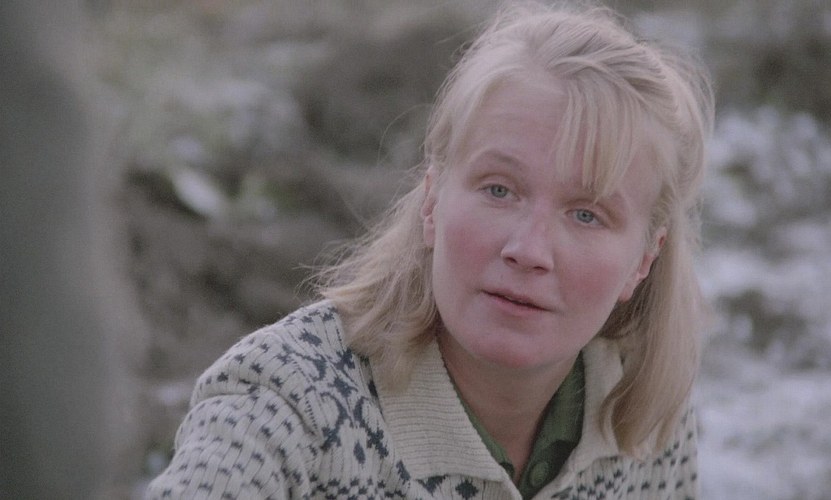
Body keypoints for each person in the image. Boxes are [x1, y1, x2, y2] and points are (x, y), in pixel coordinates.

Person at [146, 2, 714, 499]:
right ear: (432, 199)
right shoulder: (285, 404)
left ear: (645, 258)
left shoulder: (645, 420)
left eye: (586, 214)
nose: (528, 250)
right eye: (499, 190)